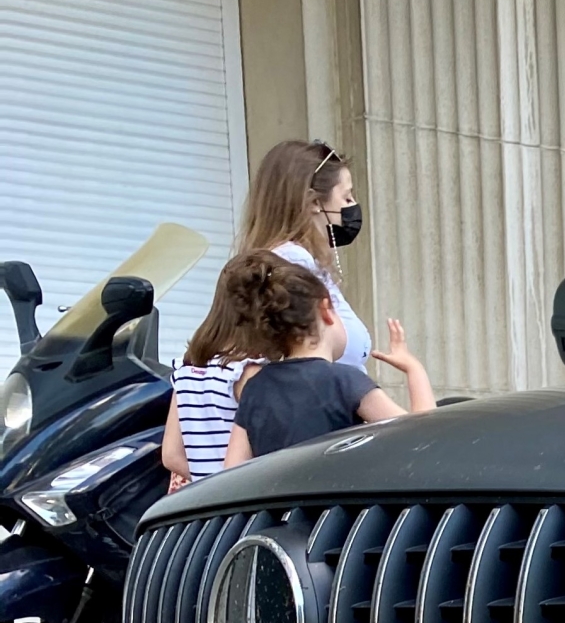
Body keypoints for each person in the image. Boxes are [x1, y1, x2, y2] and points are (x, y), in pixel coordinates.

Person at [220, 252, 435, 466]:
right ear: (325, 310)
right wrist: (414, 369)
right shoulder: (344, 381)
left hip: (276, 499)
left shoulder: (256, 388)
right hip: (333, 499)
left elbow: (231, 471)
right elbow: (420, 437)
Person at [235, 138, 377, 380]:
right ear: (314, 203)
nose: (353, 206)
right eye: (346, 197)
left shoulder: (297, 260)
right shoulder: (293, 260)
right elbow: (306, 364)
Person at [159, 267, 259, 490]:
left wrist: (207, 481)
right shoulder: (246, 372)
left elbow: (171, 455)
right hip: (243, 501)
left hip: (207, 504)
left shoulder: (186, 368)